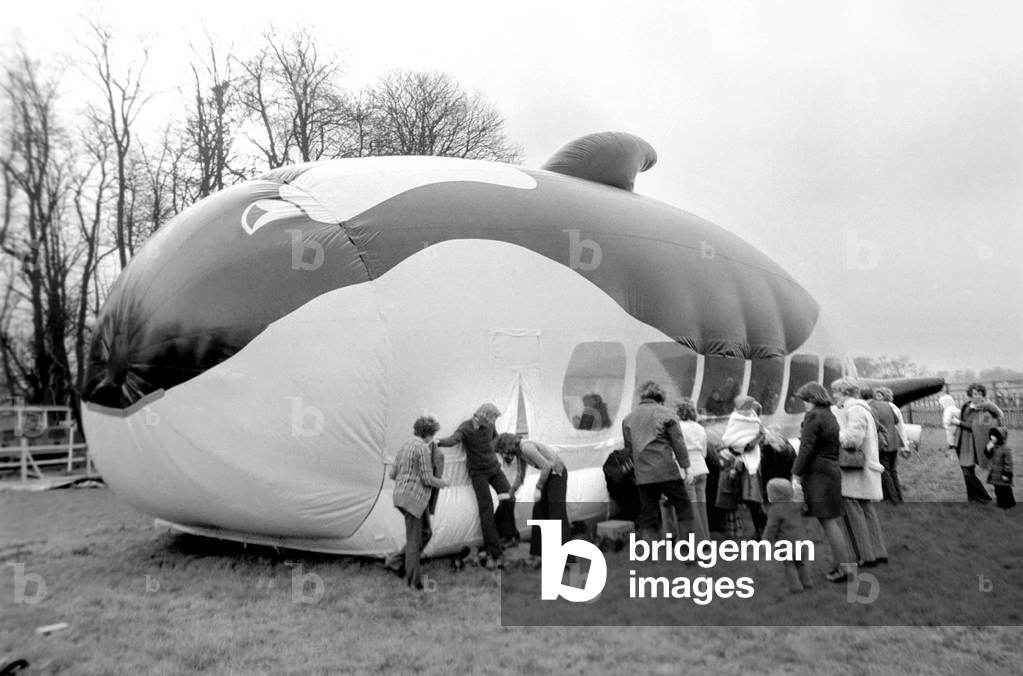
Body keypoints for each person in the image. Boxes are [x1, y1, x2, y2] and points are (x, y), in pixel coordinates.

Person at [791, 382, 855, 583]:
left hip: (818, 474)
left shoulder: (813, 416)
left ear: (812, 399)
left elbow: (806, 448)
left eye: (805, 400)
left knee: (827, 521)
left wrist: (795, 473)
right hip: (831, 470)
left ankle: (844, 569)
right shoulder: (830, 415)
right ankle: (842, 566)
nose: (804, 405)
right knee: (831, 520)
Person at [436, 403, 509, 568]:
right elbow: (453, 440)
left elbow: (496, 436)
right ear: (483, 417)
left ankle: (495, 537)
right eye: (491, 420)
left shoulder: (490, 424)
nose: (492, 424)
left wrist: (492, 447)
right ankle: (494, 552)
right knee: (486, 508)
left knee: (508, 497)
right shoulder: (466, 428)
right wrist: (437, 441)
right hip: (478, 473)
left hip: (494, 469)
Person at [621, 381, 693, 540]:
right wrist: (686, 467)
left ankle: (649, 553)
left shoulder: (628, 419)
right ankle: (689, 551)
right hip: (666, 470)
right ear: (661, 398)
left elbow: (629, 448)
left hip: (643, 474)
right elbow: (678, 443)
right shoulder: (666, 414)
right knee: (684, 508)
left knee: (648, 514)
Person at [831, 378, 888, 569]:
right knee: (867, 511)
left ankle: (865, 556)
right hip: (865, 469)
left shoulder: (854, 410)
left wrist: (834, 431)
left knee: (853, 512)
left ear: (845, 393)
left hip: (855, 471)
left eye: (836, 392)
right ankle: (878, 552)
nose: (834, 397)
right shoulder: (864, 409)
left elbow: (851, 441)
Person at [386, 416, 449, 589]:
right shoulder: (423, 449)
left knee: (425, 533)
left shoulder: (404, 446)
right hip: (414, 501)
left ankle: (394, 563)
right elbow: (427, 478)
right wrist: (442, 483)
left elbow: (392, 474)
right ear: (429, 433)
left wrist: (408, 477)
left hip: (400, 497)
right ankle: (413, 581)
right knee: (414, 540)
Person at [495, 433, 569, 568]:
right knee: (538, 513)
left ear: (508, 446)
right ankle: (537, 556)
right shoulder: (520, 453)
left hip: (558, 474)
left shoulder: (526, 448)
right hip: (549, 476)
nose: (504, 455)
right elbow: (520, 476)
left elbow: (546, 466)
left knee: (557, 516)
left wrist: (538, 487)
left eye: (503, 451)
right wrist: (509, 494)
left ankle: (567, 560)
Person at [720, 396, 767, 539]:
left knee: (752, 498)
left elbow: (749, 446)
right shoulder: (754, 429)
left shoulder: (759, 431)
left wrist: (737, 449)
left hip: (750, 467)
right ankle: (761, 528)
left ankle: (762, 528)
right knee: (748, 498)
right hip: (743, 466)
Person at [762, 478, 814, 593]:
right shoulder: (795, 505)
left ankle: (795, 587)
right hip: (802, 541)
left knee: (789, 565)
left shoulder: (775, 510)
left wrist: (765, 541)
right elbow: (802, 500)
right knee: (801, 563)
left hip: (787, 545)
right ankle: (807, 582)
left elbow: (771, 528)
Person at [954, 384, 1004, 504]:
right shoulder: (966, 405)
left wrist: (958, 422)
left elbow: (977, 427)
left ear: (983, 395)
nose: (977, 396)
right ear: (970, 394)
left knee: (967, 471)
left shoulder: (985, 410)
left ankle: (984, 498)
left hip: (972, 444)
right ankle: (972, 497)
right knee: (967, 471)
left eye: (980, 394)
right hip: (961, 441)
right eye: (975, 393)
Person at [676, 398, 710, 541]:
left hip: (686, 469)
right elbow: (704, 452)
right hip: (701, 467)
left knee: (692, 509)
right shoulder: (700, 428)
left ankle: (699, 544)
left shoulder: (677, 428)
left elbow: (676, 450)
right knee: (701, 507)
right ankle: (705, 538)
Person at [864, 386, 901, 504]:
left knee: (885, 472)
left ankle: (892, 499)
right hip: (895, 441)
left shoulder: (872, 407)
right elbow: (896, 420)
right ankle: (899, 497)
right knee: (893, 470)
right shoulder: (888, 405)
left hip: (884, 442)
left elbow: (874, 424)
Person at [985, 427, 1015, 509]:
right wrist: (988, 448)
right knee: (997, 489)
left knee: (1005, 489)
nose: (992, 437)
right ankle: (1001, 503)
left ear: (1000, 437)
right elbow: (988, 456)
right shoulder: (993, 446)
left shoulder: (1006, 449)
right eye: (991, 435)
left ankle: (1008, 504)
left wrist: (1007, 473)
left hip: (1002, 474)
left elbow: (1009, 463)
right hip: (995, 473)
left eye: (994, 435)